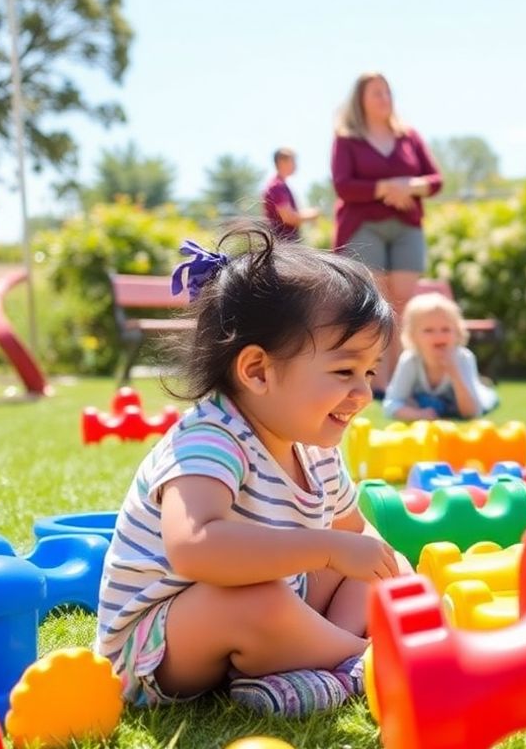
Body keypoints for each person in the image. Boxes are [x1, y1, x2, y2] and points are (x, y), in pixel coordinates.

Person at [95, 229, 407, 715]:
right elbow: (194, 547)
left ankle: (321, 673)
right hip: (162, 647)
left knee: (374, 569)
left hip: (273, 608)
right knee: (257, 600)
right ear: (258, 371)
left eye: (370, 373)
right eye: (345, 371)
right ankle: (360, 662)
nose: (364, 394)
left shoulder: (315, 446)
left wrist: (389, 572)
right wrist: (327, 549)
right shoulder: (209, 440)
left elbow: (353, 533)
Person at [331, 72, 443, 391]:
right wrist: (384, 188)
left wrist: (411, 185)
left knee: (403, 305)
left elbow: (435, 180)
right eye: (376, 93)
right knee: (374, 304)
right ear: (361, 100)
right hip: (363, 226)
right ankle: (375, 383)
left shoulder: (409, 136)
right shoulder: (346, 137)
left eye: (387, 92)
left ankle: (400, 383)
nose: (384, 98)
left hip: (407, 227)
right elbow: (343, 185)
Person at [383, 292, 497, 421]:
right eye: (428, 330)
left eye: (446, 329)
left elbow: (472, 413)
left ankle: (484, 386)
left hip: (478, 398)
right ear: (413, 336)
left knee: (487, 398)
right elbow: (391, 404)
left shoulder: (463, 358)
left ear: (458, 332)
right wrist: (419, 415)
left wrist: (454, 373)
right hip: (428, 405)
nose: (438, 336)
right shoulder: (410, 360)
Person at [262, 147, 319, 241]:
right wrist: (311, 214)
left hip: (284, 245)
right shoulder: (276, 186)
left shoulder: (280, 185)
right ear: (281, 162)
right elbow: (288, 217)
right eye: (292, 160)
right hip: (282, 246)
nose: (295, 165)